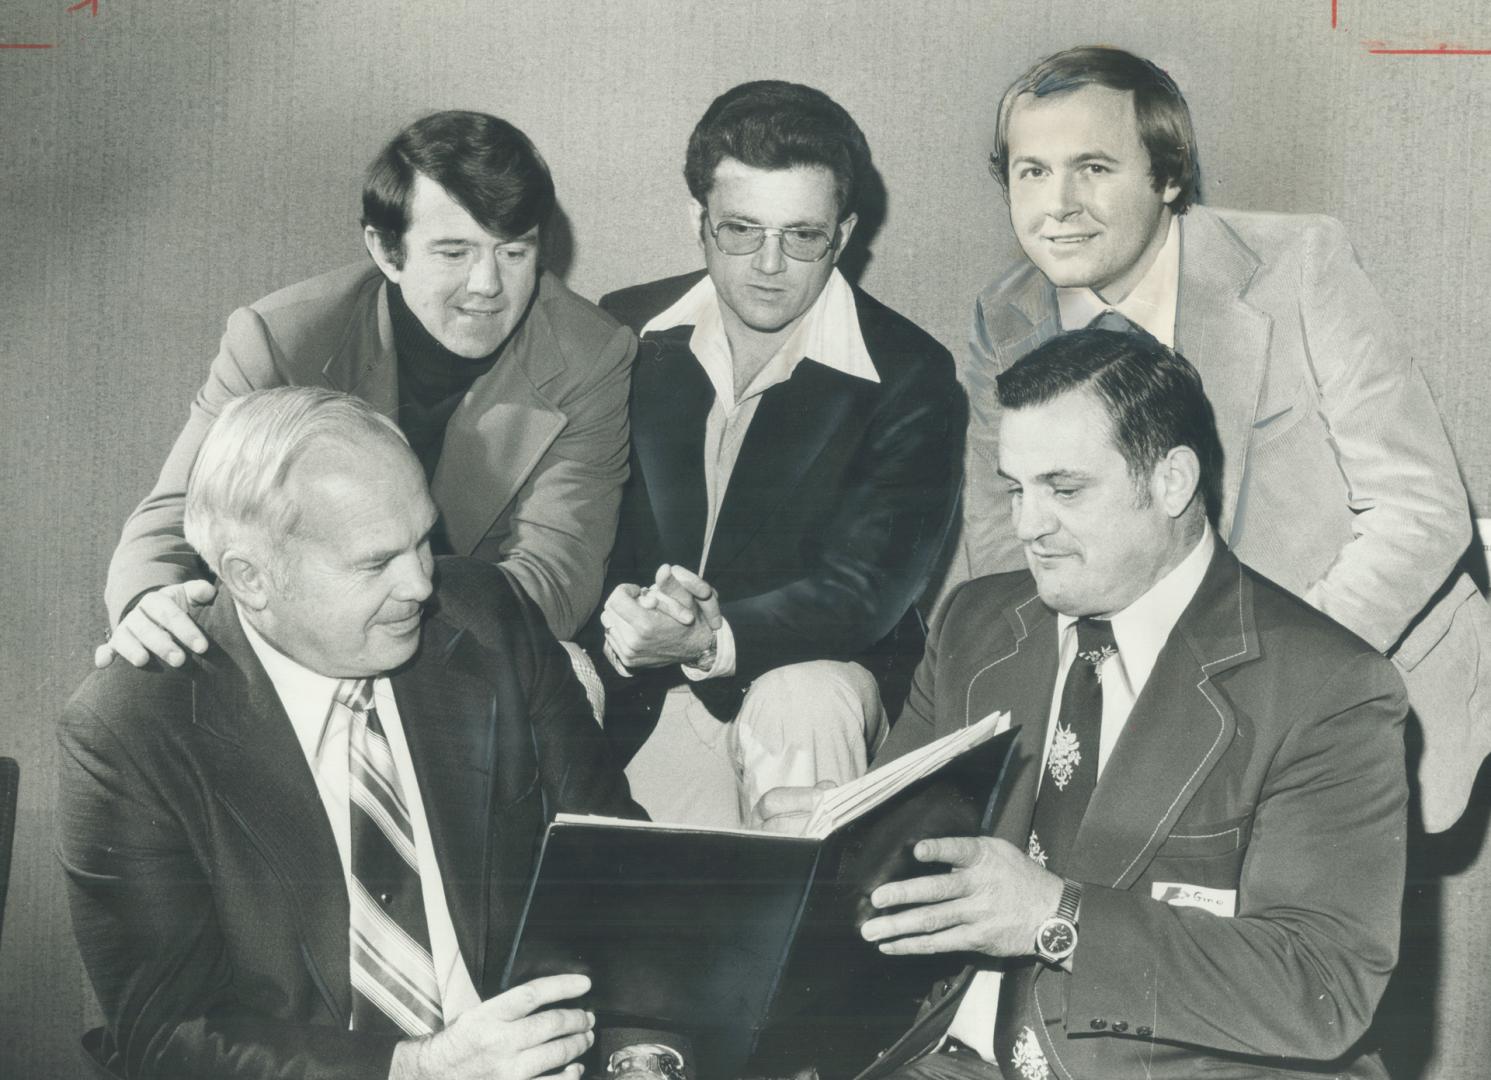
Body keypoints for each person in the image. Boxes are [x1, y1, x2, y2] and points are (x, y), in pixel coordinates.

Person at [768, 329, 1409, 1079]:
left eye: (1063, 489)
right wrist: (824, 852)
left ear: (1171, 481)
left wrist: (1054, 916)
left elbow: (1320, 988)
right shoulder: (973, 626)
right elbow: (902, 895)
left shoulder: (1326, 686)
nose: (1025, 525)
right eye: (1016, 488)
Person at [945, 45, 1489, 831]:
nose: (1056, 204)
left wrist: (1262, 682)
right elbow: (1004, 541)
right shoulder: (1005, 314)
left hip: (1353, 676)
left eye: (1093, 167)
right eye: (1031, 172)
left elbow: (1418, 508)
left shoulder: (1298, 263)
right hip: (1140, 719)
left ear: (1168, 177)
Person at [60, 388, 645, 1080]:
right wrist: (419, 1069)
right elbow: (167, 1038)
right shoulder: (132, 728)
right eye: (375, 563)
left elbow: (624, 867)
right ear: (250, 578)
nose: (421, 586)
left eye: (424, 540)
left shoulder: (486, 618)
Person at [98, 109, 635, 667]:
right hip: (297, 644)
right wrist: (149, 600)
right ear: (385, 250)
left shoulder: (591, 354)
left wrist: (383, 626)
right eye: (454, 252)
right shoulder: (280, 338)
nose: (488, 285)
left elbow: (555, 579)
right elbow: (178, 513)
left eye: (514, 251)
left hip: (473, 648)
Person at [589, 80, 964, 826]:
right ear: (699, 222)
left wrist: (711, 640)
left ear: (844, 234)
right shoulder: (622, 329)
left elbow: (866, 592)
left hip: (817, 696)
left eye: (801, 236)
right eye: (740, 230)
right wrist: (626, 630)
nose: (768, 264)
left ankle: (822, 938)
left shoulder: (911, 373)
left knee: (802, 697)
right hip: (646, 695)